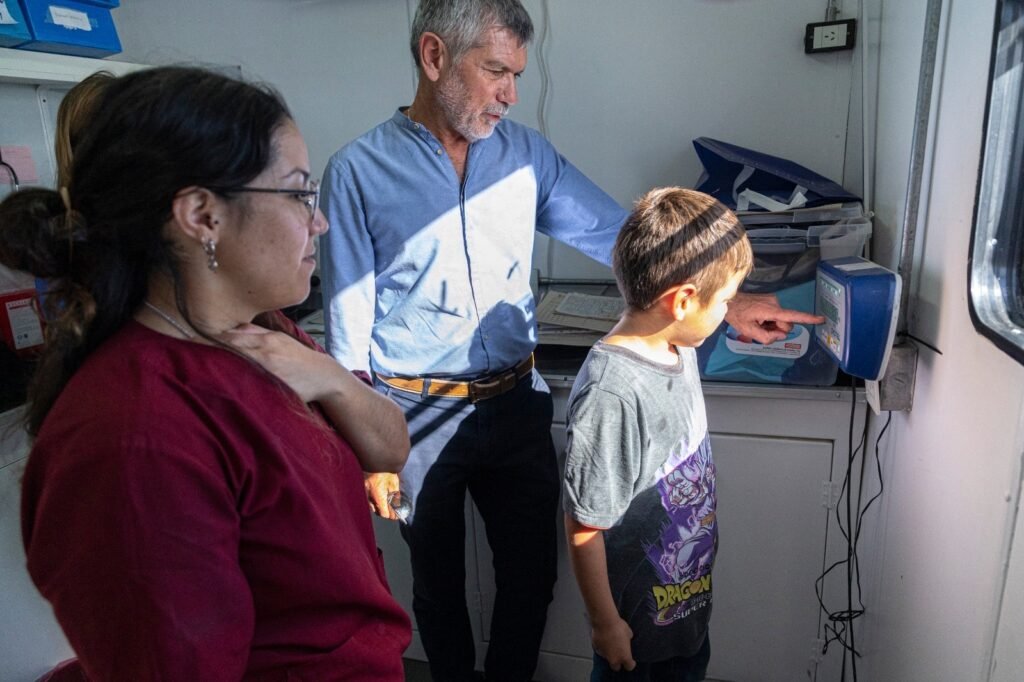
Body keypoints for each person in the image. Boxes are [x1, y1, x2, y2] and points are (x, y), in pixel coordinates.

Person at [319, 1, 819, 679]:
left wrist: (727, 302)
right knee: (436, 587)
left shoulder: (525, 156)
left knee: (531, 580)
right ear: (434, 57)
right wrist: (367, 449)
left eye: (517, 75)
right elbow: (347, 320)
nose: (510, 94)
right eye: (495, 71)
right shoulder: (356, 171)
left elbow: (620, 237)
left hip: (513, 406)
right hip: (412, 417)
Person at [0, 66, 412, 680]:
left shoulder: (264, 332)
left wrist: (329, 376)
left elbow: (389, 449)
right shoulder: (137, 434)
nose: (319, 221)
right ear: (201, 214)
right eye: (298, 194)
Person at [562, 188, 752, 681]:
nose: (727, 310)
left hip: (686, 613)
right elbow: (584, 526)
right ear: (683, 301)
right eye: (725, 301)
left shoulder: (677, 344)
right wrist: (605, 624)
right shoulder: (611, 395)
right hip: (636, 635)